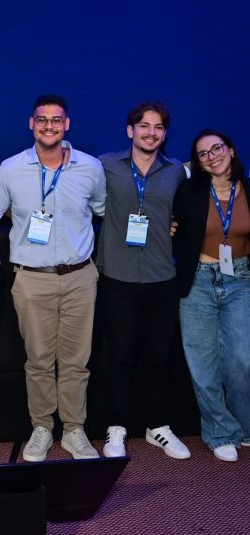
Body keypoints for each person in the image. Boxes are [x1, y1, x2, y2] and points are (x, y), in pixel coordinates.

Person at [0, 94, 105, 461]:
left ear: (66, 124)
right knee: (38, 360)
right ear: (31, 124)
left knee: (76, 360)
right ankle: (41, 427)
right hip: (32, 278)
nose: (49, 126)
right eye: (42, 119)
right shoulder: (10, 170)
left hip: (79, 277)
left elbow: (102, 208)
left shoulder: (90, 168)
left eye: (56, 120)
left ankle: (73, 429)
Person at [97, 101, 190, 460]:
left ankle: (158, 426)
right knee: (119, 355)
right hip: (117, 275)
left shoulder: (176, 171)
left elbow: (190, 212)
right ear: (130, 130)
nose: (151, 133)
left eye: (159, 127)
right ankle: (116, 426)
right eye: (145, 126)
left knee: (158, 355)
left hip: (161, 276)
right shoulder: (106, 165)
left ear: (165, 134)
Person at [173, 129, 250, 461]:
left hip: (241, 281)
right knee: (203, 364)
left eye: (217, 148)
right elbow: (173, 230)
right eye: (203, 154)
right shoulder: (188, 192)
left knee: (242, 361)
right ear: (198, 163)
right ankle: (220, 432)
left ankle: (244, 427)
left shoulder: (248, 189)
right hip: (199, 281)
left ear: (230, 150)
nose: (212, 156)